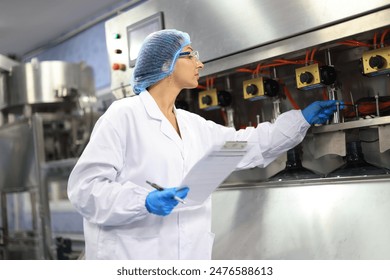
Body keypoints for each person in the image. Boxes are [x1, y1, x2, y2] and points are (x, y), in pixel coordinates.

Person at [67, 29, 343, 260]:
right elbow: (85, 189)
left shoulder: (192, 124)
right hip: (132, 258)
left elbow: (242, 145)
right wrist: (144, 201)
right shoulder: (124, 115)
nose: (199, 64)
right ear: (166, 64)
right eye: (190, 55)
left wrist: (300, 119)